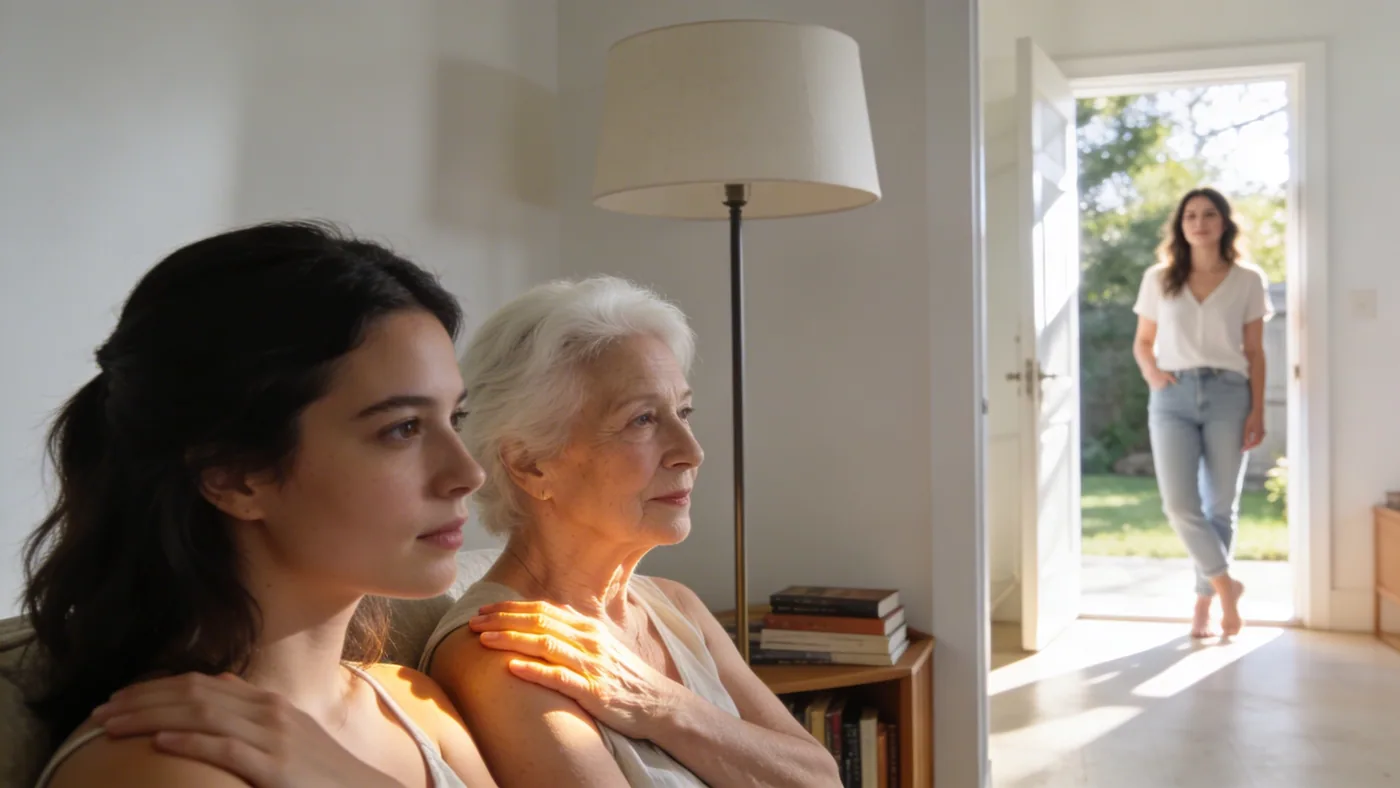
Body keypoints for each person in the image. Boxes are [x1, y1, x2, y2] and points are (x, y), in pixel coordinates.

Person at [26, 222, 499, 787]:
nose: (468, 474)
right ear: (235, 478)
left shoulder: (414, 705)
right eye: (401, 429)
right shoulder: (165, 767)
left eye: (456, 418)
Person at [419, 277, 841, 787]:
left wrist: (662, 703)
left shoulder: (674, 606)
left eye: (683, 412)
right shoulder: (508, 654)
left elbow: (821, 778)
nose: (691, 450)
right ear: (530, 465)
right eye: (642, 420)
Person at [1132, 188, 1274, 639]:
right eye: (1190, 215)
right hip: (1172, 396)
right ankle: (1227, 585)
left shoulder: (1248, 279)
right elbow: (1142, 342)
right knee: (1179, 504)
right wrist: (1153, 373)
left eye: (1209, 214)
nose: (1199, 222)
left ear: (1224, 222)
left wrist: (1257, 411)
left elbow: (1255, 351)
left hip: (1230, 395)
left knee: (1219, 505)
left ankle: (1203, 605)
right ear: (1181, 226)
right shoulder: (1159, 278)